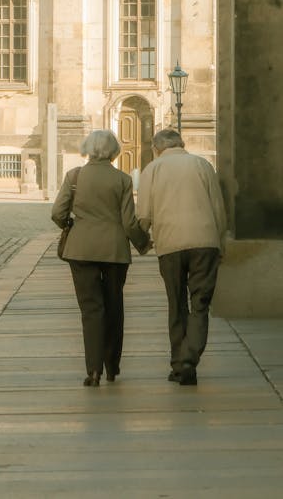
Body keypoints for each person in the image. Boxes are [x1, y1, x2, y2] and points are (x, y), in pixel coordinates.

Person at [51, 129, 150, 387]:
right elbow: (129, 222)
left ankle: (93, 370)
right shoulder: (122, 179)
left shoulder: (75, 176)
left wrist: (71, 224)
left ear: (88, 149)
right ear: (114, 151)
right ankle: (112, 367)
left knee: (91, 309)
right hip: (115, 250)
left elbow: (57, 212)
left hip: (81, 249)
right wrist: (143, 243)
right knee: (114, 306)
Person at [136, 128, 227, 386]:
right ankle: (189, 359)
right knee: (200, 304)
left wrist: (140, 241)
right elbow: (218, 208)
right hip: (205, 243)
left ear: (156, 149)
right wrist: (220, 244)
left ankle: (179, 363)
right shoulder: (202, 165)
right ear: (183, 144)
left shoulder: (152, 170)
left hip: (170, 245)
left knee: (176, 304)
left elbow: (143, 216)